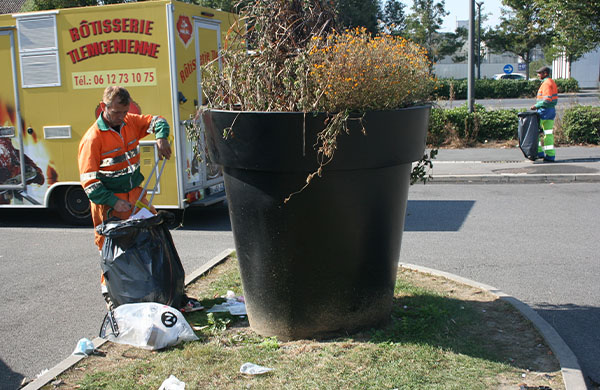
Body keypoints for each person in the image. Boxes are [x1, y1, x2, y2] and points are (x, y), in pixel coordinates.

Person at [78, 86, 201, 312]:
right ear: (104, 107)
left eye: (124, 112)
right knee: (112, 253)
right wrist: (114, 202)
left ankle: (163, 293)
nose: (121, 118)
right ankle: (114, 299)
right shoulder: (92, 139)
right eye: (116, 113)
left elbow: (158, 121)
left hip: (136, 196)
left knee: (153, 241)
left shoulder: (130, 122)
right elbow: (89, 184)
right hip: (109, 205)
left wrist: (162, 138)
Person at [530, 66, 558, 162]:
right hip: (551, 111)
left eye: (540, 73)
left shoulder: (546, 83)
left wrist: (536, 106)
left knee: (534, 132)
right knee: (548, 133)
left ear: (545, 73)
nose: (538, 75)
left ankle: (538, 152)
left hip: (543, 110)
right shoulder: (551, 82)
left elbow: (546, 100)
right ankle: (550, 155)